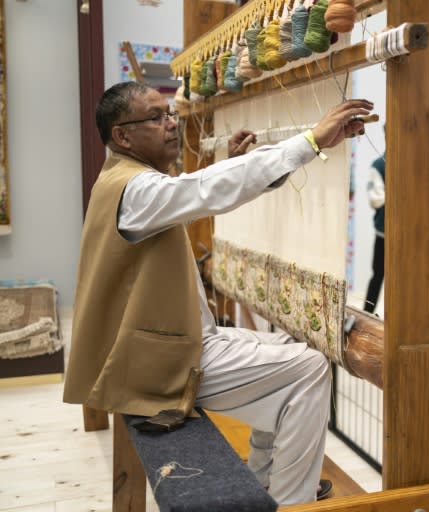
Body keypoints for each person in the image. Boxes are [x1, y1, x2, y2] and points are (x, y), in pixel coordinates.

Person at [62, 81, 373, 505]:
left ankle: (266, 484)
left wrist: (240, 164)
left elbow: (202, 187)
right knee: (309, 368)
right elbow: (203, 189)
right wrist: (309, 142)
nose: (171, 124)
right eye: (156, 117)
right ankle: (292, 500)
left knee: (290, 350)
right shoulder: (133, 189)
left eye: (170, 113)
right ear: (123, 136)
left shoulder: (129, 182)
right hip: (153, 364)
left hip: (169, 346)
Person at [363, 153, 384, 313]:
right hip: (384, 232)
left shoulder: (378, 165)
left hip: (405, 234)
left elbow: (376, 200)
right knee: (377, 276)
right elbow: (376, 200)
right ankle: (367, 313)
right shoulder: (378, 165)